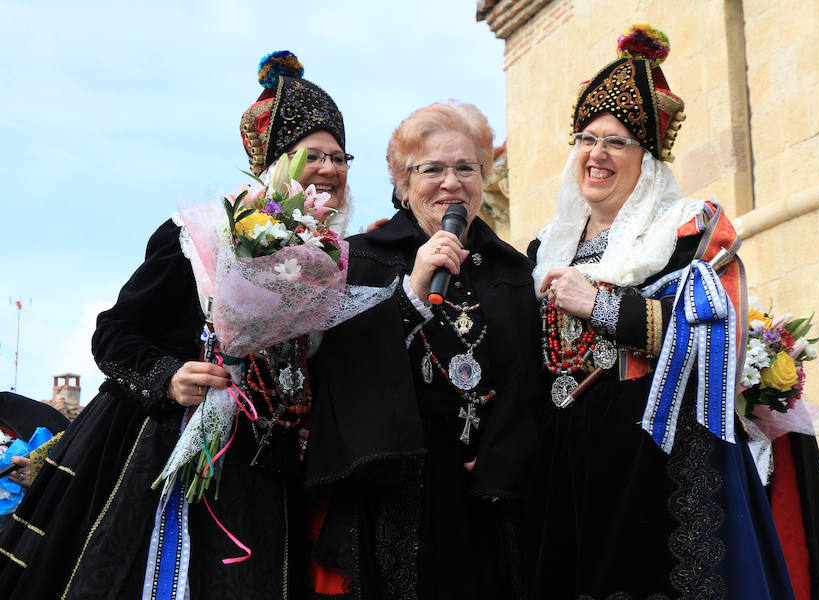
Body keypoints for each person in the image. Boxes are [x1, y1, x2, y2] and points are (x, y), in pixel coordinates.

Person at [0, 51, 355, 599]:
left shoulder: (331, 262)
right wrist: (168, 377)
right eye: (315, 156)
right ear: (276, 162)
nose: (331, 169)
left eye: (340, 156)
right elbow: (115, 333)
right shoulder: (198, 236)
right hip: (159, 453)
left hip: (263, 469)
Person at [526, 25, 795, 599]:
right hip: (565, 463)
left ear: (647, 159)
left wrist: (598, 304)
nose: (596, 154)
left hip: (658, 456)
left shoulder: (690, 230)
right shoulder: (545, 246)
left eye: (617, 141)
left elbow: (716, 339)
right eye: (586, 138)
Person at [305, 100, 540, 599]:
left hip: (485, 498)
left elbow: (527, 376)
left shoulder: (513, 270)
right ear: (402, 182)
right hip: (392, 491)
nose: (450, 183)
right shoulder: (360, 260)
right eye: (431, 169)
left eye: (465, 168)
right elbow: (340, 371)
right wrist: (410, 292)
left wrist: (502, 457)